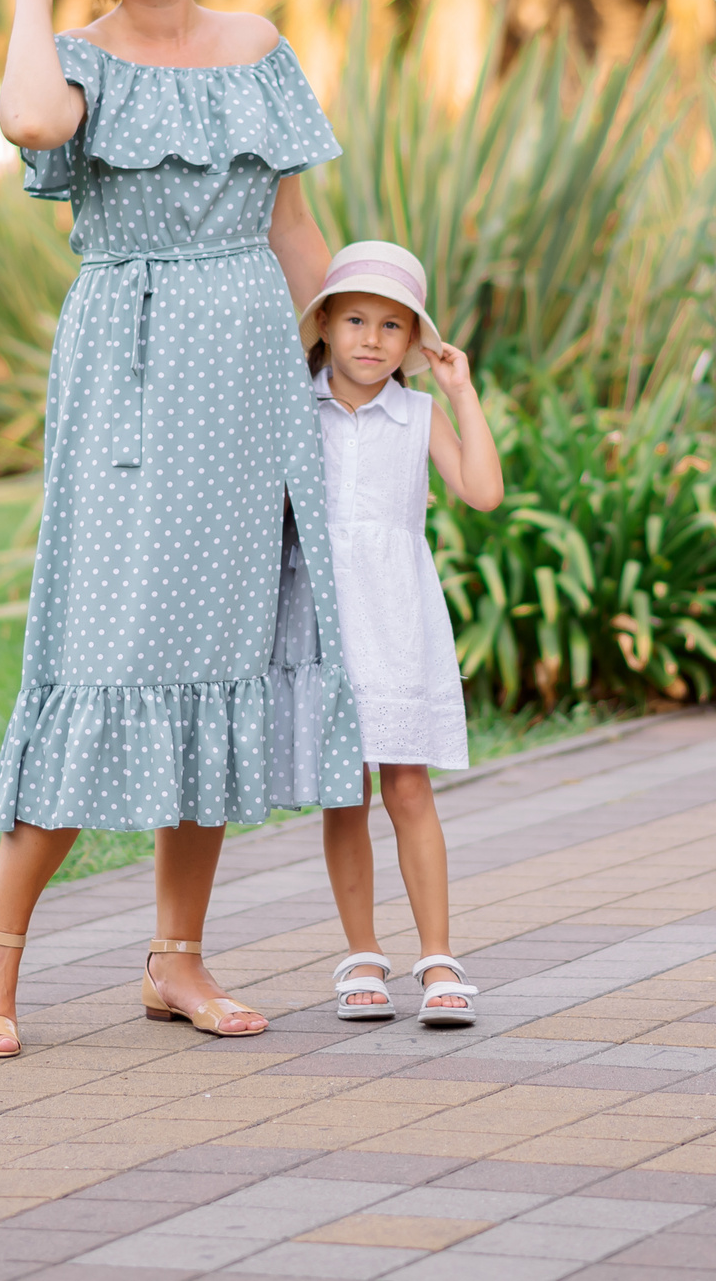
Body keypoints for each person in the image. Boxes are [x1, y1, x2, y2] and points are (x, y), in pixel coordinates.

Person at [0, 0, 362, 1059]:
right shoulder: (80, 58)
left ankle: (175, 956)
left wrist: (361, 356)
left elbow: (294, 224)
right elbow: (29, 124)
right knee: (108, 645)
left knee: (220, 649)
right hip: (130, 376)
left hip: (247, 377)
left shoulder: (259, 47)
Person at [298, 243, 504, 1027]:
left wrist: (461, 390)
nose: (372, 339)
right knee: (343, 794)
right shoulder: (296, 407)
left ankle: (439, 958)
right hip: (322, 620)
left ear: (415, 340)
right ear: (324, 322)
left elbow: (482, 491)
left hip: (395, 616)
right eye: (355, 318)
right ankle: (361, 956)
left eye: (392, 324)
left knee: (407, 785)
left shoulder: (417, 413)